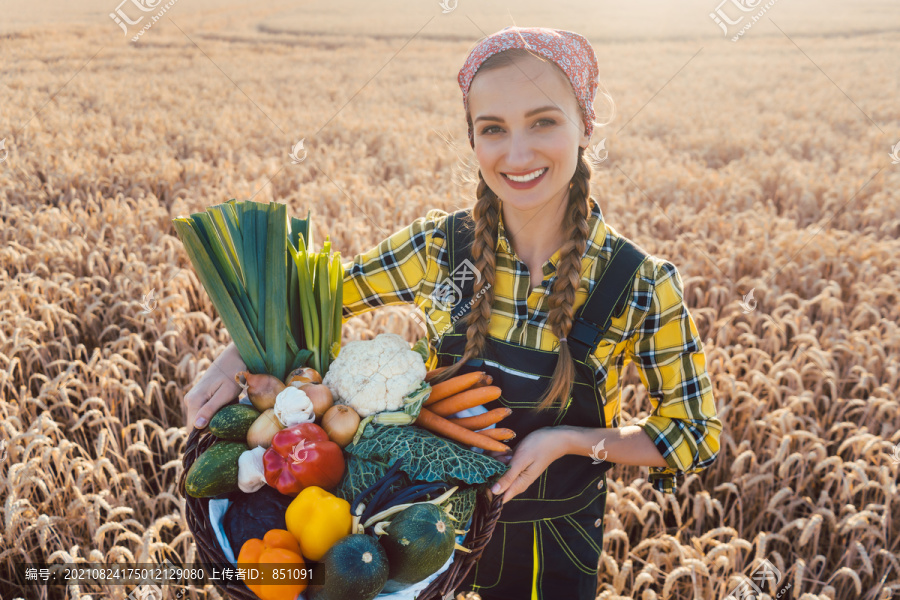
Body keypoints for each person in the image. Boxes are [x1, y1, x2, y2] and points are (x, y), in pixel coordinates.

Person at [183, 25, 722, 600]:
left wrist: (568, 441)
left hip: (554, 547)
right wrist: (240, 352)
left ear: (586, 124)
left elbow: (693, 433)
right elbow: (314, 298)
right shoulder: (438, 249)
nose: (517, 154)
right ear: (472, 138)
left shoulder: (636, 283)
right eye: (493, 129)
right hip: (418, 535)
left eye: (543, 121)